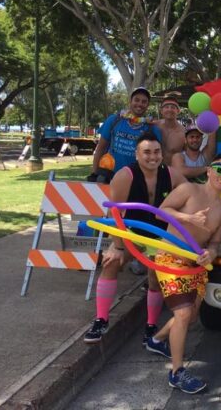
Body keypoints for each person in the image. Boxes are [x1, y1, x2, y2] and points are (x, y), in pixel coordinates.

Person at [83, 132, 187, 348]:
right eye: (147, 152)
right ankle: (101, 319)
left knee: (155, 278)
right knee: (111, 263)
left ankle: (150, 325)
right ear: (137, 154)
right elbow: (115, 215)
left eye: (157, 152)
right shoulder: (125, 175)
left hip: (160, 236)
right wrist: (118, 247)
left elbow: (190, 196)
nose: (153, 156)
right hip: (131, 233)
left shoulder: (172, 174)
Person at [146, 154, 221, 394]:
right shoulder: (188, 189)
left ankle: (156, 340)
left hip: (196, 265)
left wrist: (211, 254)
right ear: (208, 170)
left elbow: (215, 243)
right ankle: (177, 372)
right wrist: (189, 218)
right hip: (170, 258)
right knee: (183, 313)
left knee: (191, 316)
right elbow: (160, 212)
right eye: (219, 169)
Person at [91, 87, 162, 182]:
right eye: (136, 100)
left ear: (147, 105)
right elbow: (101, 148)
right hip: (109, 176)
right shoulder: (114, 120)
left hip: (137, 179)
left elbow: (157, 157)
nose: (140, 104)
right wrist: (95, 174)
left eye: (144, 102)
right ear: (130, 101)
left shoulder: (152, 128)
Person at [154, 95, 186, 166]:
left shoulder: (183, 133)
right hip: (153, 169)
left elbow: (188, 156)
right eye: (166, 107)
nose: (169, 109)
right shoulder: (154, 125)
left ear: (178, 111)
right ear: (161, 111)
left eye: (173, 107)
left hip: (171, 172)